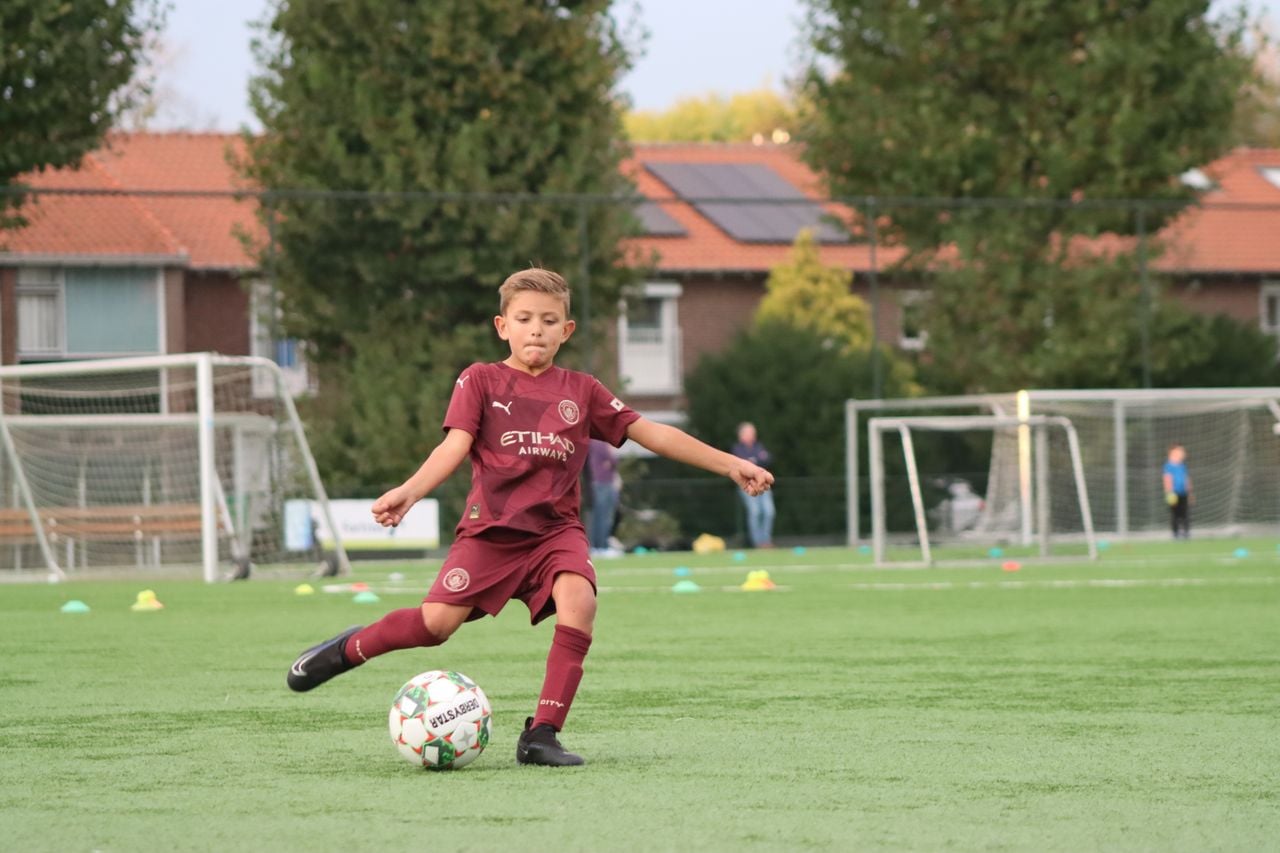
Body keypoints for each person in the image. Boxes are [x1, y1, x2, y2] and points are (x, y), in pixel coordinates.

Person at [286, 268, 774, 767]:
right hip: (491, 534)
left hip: (555, 534)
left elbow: (653, 433)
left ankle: (541, 734)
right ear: (503, 326)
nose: (535, 329)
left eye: (548, 320)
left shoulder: (582, 390)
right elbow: (453, 445)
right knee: (434, 626)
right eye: (524, 319)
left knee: (579, 600)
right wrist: (409, 492)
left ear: (568, 330)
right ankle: (350, 648)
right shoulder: (480, 379)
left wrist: (732, 463)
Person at [732, 421, 775, 548]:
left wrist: (753, 460)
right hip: (748, 484)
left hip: (762, 483)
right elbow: (742, 464)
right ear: (742, 435)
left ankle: (766, 541)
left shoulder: (758, 446)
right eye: (750, 432)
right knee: (755, 512)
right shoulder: (737, 448)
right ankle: (757, 543)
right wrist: (756, 460)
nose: (753, 435)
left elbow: (767, 459)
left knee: (769, 511)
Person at [587, 439, 622, 557]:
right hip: (603, 482)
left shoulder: (593, 442)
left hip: (601, 482)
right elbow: (613, 460)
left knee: (600, 516)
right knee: (603, 516)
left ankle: (598, 546)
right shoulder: (599, 442)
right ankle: (601, 547)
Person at [1162, 444, 1192, 539]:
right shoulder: (1168, 466)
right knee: (1175, 514)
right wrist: (1169, 492)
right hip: (1174, 493)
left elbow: (1186, 479)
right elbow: (1167, 479)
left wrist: (1190, 492)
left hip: (1183, 493)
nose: (1182, 453)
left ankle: (1186, 533)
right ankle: (1175, 533)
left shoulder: (1182, 465)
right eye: (1180, 451)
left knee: (1185, 513)